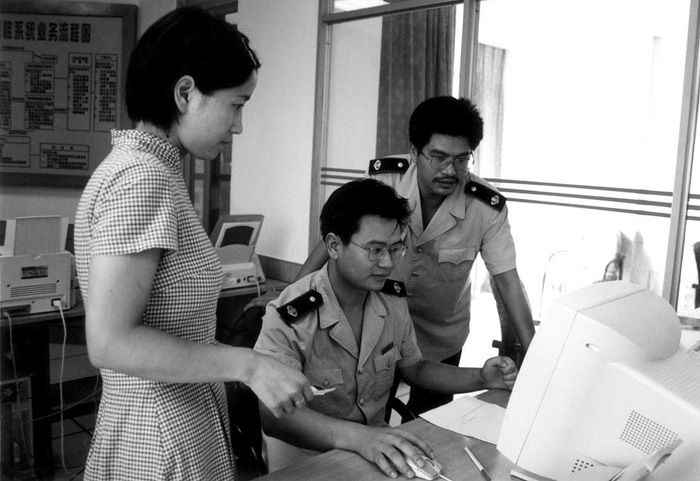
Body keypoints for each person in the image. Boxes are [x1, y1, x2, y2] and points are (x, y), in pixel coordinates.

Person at [73, 7, 312, 480]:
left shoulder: (154, 170)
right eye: (236, 105)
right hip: (157, 432)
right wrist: (250, 366)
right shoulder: (142, 178)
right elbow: (110, 341)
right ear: (185, 93)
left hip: (175, 418)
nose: (239, 126)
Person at [255, 178, 518, 478]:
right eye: (375, 250)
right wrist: (360, 438)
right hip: (306, 460)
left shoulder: (390, 300)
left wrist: (482, 377)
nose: (387, 263)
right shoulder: (291, 315)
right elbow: (273, 417)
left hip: (374, 451)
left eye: (395, 249)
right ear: (334, 246)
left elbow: (415, 369)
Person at [297, 96, 535, 417]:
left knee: (433, 422)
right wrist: (293, 298)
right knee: (368, 414)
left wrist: (536, 357)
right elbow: (333, 240)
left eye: (461, 160)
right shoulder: (384, 181)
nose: (449, 170)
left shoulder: (486, 207)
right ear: (414, 152)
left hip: (441, 335)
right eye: (438, 157)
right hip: (376, 324)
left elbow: (507, 281)